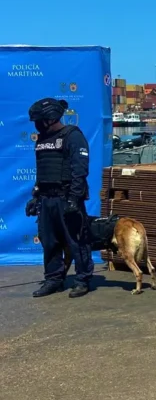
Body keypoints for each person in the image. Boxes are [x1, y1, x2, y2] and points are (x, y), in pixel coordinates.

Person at [25, 98, 94, 298]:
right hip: (46, 200)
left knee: (76, 241)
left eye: (39, 120)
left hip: (66, 198)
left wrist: (74, 198)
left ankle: (82, 280)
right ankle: (53, 279)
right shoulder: (42, 140)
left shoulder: (72, 136)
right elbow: (42, 171)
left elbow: (79, 171)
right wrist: (36, 196)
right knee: (50, 242)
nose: (36, 124)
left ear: (51, 118)